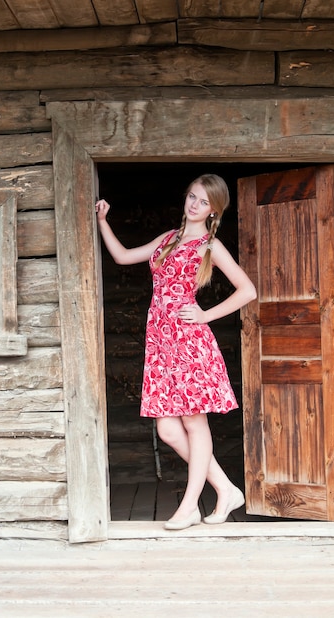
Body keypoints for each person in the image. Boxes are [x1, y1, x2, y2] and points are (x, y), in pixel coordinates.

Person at [96, 173, 257, 530]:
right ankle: (226, 488)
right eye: (192, 197)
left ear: (214, 211)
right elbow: (123, 257)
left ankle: (189, 506)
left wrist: (204, 314)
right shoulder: (168, 238)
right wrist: (103, 222)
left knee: (193, 423)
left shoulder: (209, 247)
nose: (195, 205)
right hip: (161, 343)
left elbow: (248, 291)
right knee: (168, 430)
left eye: (204, 202)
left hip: (188, 342)